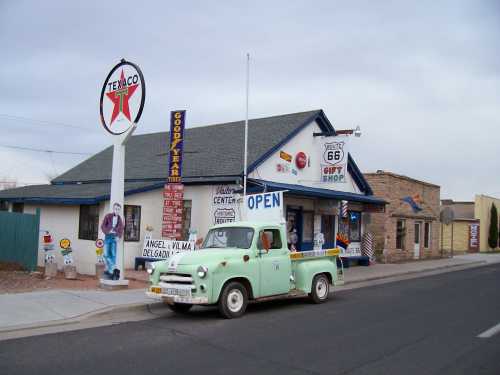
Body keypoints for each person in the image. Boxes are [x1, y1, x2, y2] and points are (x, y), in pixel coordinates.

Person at [101, 202, 124, 280]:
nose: (117, 210)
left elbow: (121, 228)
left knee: (113, 255)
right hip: (108, 236)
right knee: (105, 254)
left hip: (114, 237)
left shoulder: (120, 218)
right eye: (115, 209)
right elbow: (102, 226)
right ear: (113, 209)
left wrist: (118, 236)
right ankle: (114, 268)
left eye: (118, 209)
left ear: (119, 210)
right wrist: (107, 231)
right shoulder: (108, 216)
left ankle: (111, 272)